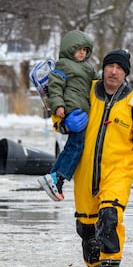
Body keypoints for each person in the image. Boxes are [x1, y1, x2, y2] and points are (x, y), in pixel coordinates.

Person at [70, 49, 133, 267]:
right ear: (103, 69)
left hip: (118, 172)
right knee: (86, 228)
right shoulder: (87, 91)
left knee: (109, 218)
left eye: (119, 68)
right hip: (85, 172)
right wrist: (62, 122)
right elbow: (61, 107)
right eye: (110, 66)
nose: (113, 72)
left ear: (126, 73)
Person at [38, 30, 97, 201]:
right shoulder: (63, 65)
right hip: (73, 110)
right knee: (76, 147)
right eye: (79, 49)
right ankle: (59, 178)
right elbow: (55, 87)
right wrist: (58, 106)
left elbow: (96, 80)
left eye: (85, 50)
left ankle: (54, 178)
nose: (82, 53)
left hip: (82, 112)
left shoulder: (87, 67)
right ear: (69, 49)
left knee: (73, 146)